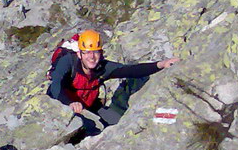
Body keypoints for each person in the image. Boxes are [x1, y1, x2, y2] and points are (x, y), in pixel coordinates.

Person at [47, 29, 178, 134]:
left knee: (118, 126)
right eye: (87, 53)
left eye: (95, 53)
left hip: (87, 108)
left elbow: (129, 70)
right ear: (79, 54)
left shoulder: (102, 68)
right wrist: (70, 103)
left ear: (101, 53)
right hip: (61, 108)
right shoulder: (68, 62)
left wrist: (161, 64)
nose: (91, 57)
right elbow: (56, 86)